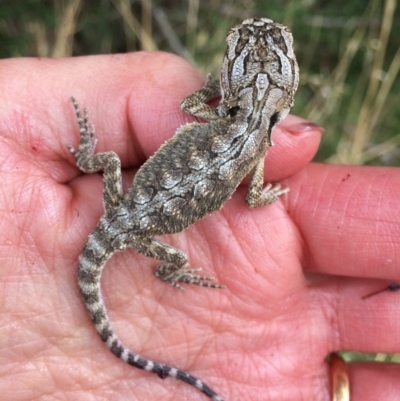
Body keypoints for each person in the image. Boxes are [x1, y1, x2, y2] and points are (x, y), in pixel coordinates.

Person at [0, 52, 398, 401]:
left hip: (127, 211)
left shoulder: (221, 118)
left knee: (110, 164)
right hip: (133, 222)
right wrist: (268, 195)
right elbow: (255, 197)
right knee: (171, 255)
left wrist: (207, 89)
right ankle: (169, 273)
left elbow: (189, 101)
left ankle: (90, 159)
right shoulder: (259, 147)